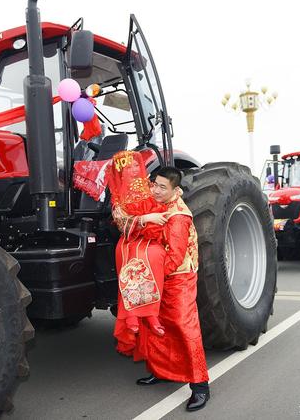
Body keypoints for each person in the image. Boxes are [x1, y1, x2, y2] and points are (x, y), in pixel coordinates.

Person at [135, 166, 210, 412]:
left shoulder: (178, 216)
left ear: (176, 190)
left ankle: (200, 385)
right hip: (161, 277)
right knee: (157, 325)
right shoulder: (160, 206)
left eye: (162, 187)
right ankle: (162, 371)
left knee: (184, 327)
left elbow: (175, 257)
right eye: (154, 184)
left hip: (179, 279)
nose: (155, 190)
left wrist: (149, 276)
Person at [108, 151, 168, 343]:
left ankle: (151, 313)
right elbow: (120, 221)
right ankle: (131, 314)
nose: (133, 170)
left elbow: (164, 197)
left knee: (155, 257)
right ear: (121, 172)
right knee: (129, 261)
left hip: (150, 238)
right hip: (130, 238)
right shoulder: (118, 196)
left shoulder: (149, 187)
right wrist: (145, 218)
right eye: (128, 167)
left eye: (136, 165)